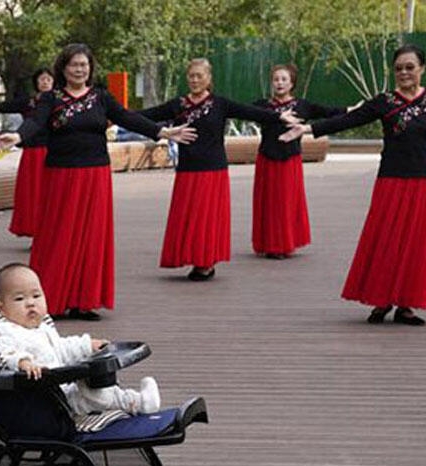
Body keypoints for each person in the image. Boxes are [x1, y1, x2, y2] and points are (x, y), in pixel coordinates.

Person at [0, 43, 196, 320]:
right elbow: (35, 124)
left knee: (92, 235)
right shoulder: (51, 99)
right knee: (56, 235)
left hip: (94, 175)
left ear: (90, 68)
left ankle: (84, 301)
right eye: (74, 65)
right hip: (61, 176)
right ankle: (51, 299)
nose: (79, 69)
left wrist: (161, 131)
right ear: (63, 68)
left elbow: (127, 117)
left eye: (84, 65)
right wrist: (17, 137)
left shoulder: (101, 97)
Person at [280, 44, 426, 326]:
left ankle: (406, 305)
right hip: (392, 182)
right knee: (386, 241)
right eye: (398, 68)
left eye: (410, 67)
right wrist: (308, 129)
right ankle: (382, 299)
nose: (404, 73)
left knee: (416, 245)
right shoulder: (384, 102)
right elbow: (347, 120)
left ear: (421, 68)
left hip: (422, 182)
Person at [141, 58, 297, 281]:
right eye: (191, 76)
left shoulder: (220, 104)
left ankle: (205, 263)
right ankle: (192, 258)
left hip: (212, 170)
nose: (195, 80)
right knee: (187, 218)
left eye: (199, 76)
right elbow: (144, 116)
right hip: (187, 170)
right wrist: (158, 129)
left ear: (209, 78)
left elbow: (252, 112)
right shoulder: (179, 105)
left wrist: (280, 116)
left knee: (206, 219)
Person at [0, 263, 161, 416]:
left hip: (63, 387)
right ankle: (138, 403)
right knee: (96, 392)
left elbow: (63, 348)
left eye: (36, 296)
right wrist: (22, 363)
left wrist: (87, 345)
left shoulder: (42, 328)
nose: (30, 303)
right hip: (47, 400)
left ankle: (137, 401)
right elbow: (3, 352)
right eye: (19, 299)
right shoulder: (3, 331)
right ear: (0, 308)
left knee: (98, 383)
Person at [252, 64, 347, 259]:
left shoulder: (302, 106)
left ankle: (285, 243)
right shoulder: (262, 106)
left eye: (284, 79)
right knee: (269, 202)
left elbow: (328, 112)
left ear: (292, 83)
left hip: (290, 161)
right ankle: (270, 243)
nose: (279, 83)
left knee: (286, 202)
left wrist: (351, 110)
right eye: (276, 79)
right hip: (267, 160)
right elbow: (242, 111)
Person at [0, 67, 54, 237]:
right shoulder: (29, 102)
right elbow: (7, 106)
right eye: (42, 79)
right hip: (31, 153)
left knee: (49, 194)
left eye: (48, 79)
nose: (45, 82)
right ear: (36, 83)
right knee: (32, 194)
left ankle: (49, 231)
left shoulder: (58, 101)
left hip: (51, 152)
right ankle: (34, 229)